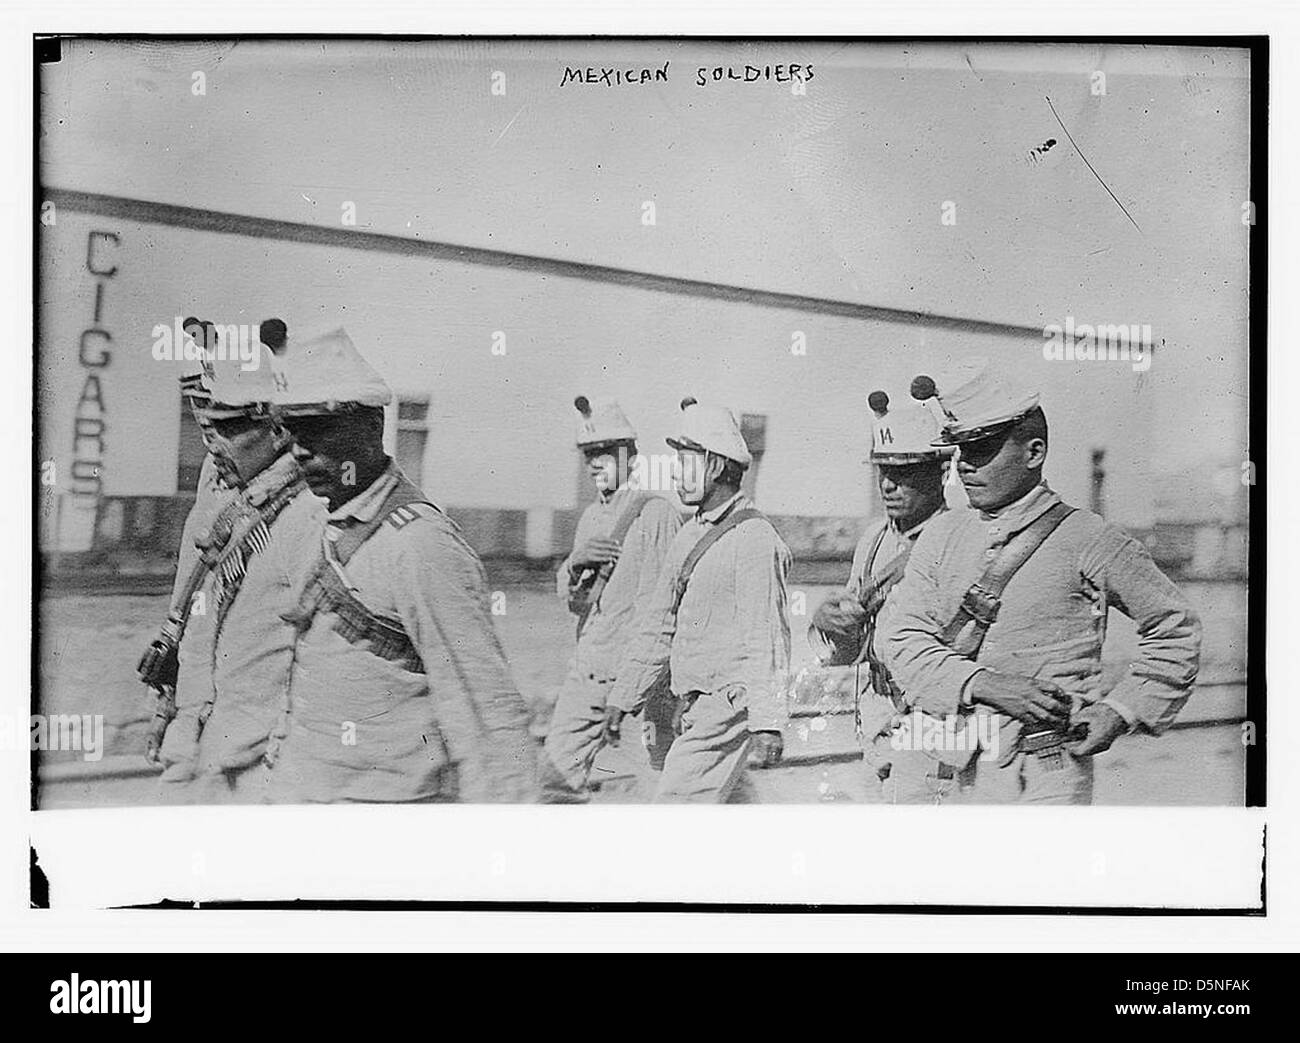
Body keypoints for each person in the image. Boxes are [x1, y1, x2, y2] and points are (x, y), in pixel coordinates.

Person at [879, 358, 1202, 804]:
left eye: (982, 450)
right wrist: (984, 684)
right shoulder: (942, 534)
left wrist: (1120, 710)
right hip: (944, 769)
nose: (966, 467)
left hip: (1043, 773)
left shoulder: (1091, 538)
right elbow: (902, 638)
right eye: (960, 452)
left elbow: (1175, 630)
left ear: (1033, 453)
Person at [266, 327, 540, 803]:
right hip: (305, 791)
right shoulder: (316, 517)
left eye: (318, 430)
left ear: (371, 427)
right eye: (291, 433)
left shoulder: (419, 544)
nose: (300, 450)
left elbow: (483, 705)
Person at [149, 340, 324, 803]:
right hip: (196, 740)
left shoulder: (311, 512)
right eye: (203, 424)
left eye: (226, 428)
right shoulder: (221, 483)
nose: (211, 441)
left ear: (278, 430)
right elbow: (192, 598)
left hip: (262, 765)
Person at [603, 397, 792, 803]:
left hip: (728, 707)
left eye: (687, 463)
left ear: (718, 466)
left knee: (675, 808)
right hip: (692, 706)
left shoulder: (754, 539)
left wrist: (768, 722)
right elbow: (660, 625)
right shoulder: (690, 534)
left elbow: (768, 637)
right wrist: (624, 696)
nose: (677, 474)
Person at [808, 380, 954, 799]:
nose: (889, 485)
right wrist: (829, 621)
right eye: (883, 472)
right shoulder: (874, 540)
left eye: (904, 473)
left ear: (940, 471)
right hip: (877, 724)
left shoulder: (957, 540)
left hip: (931, 728)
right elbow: (850, 649)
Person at [541, 396, 682, 801]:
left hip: (637, 687)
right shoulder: (589, 518)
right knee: (553, 781)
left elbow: (663, 613)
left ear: (631, 456)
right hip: (587, 675)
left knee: (664, 792)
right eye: (588, 455)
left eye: (605, 452)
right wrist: (573, 563)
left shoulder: (656, 515)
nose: (594, 463)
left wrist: (635, 687)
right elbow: (575, 603)